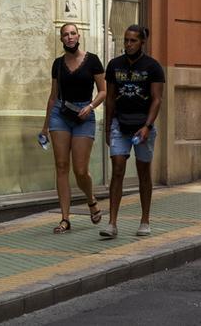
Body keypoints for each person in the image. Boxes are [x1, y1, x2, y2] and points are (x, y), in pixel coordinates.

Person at [39, 23, 105, 233]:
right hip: (61, 114)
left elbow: (103, 91)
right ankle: (65, 219)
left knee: (80, 170)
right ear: (61, 39)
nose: (69, 37)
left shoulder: (92, 60)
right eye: (65, 34)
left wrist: (91, 106)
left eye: (73, 33)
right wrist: (45, 126)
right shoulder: (58, 64)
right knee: (61, 166)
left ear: (79, 36)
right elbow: (53, 96)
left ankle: (91, 199)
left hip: (84, 115)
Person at [101, 25, 164, 239]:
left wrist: (147, 126)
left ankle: (145, 220)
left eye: (133, 41)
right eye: (126, 40)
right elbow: (110, 98)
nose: (128, 44)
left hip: (142, 126)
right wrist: (108, 126)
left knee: (143, 172)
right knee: (117, 168)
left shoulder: (153, 67)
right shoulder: (114, 65)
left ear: (142, 42)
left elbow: (157, 99)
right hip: (120, 124)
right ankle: (112, 223)